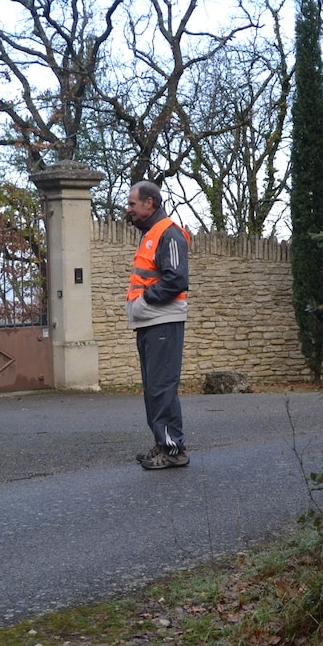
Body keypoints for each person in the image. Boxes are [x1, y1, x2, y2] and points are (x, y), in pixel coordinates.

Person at [124, 181, 190, 470]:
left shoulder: (169, 233)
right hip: (150, 323)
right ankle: (163, 443)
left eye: (132, 204)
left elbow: (177, 279)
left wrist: (147, 299)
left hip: (163, 321)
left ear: (149, 203)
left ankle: (174, 450)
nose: (128, 209)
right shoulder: (150, 234)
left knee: (162, 388)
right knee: (154, 388)